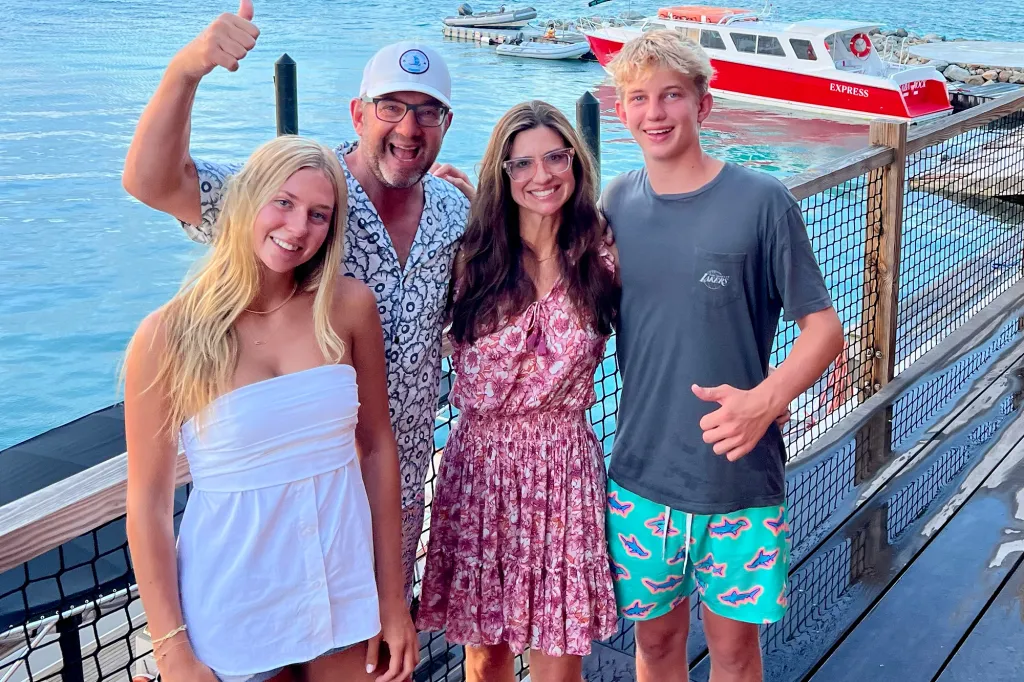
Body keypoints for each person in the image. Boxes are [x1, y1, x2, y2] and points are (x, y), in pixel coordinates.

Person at [121, 0, 472, 603]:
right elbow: (153, 182)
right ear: (359, 113)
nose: (409, 129)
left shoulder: (453, 211)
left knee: (381, 649)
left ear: (445, 125)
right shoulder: (303, 191)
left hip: (399, 485)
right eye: (392, 107)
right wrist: (188, 70)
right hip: (301, 488)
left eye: (427, 113)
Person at [122, 136, 417, 682]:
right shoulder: (169, 335)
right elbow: (148, 501)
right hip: (232, 611)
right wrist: (171, 651)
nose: (298, 227)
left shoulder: (348, 309)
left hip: (343, 592)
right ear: (246, 201)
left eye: (319, 214)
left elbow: (377, 449)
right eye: (283, 202)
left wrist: (392, 598)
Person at [598, 31, 845, 682]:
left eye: (672, 95)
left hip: (737, 484)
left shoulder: (763, 201)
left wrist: (766, 401)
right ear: (620, 111)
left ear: (703, 105)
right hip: (638, 480)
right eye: (639, 98)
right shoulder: (614, 204)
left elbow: (823, 329)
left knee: (734, 655)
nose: (655, 112)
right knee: (654, 648)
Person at [415, 101, 620, 682]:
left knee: (561, 652)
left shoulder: (602, 253)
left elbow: (664, 328)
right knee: (486, 655)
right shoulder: (468, 255)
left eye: (556, 157)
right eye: (522, 163)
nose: (542, 175)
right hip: (481, 466)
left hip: (564, 464)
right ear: (502, 175)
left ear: (575, 164)